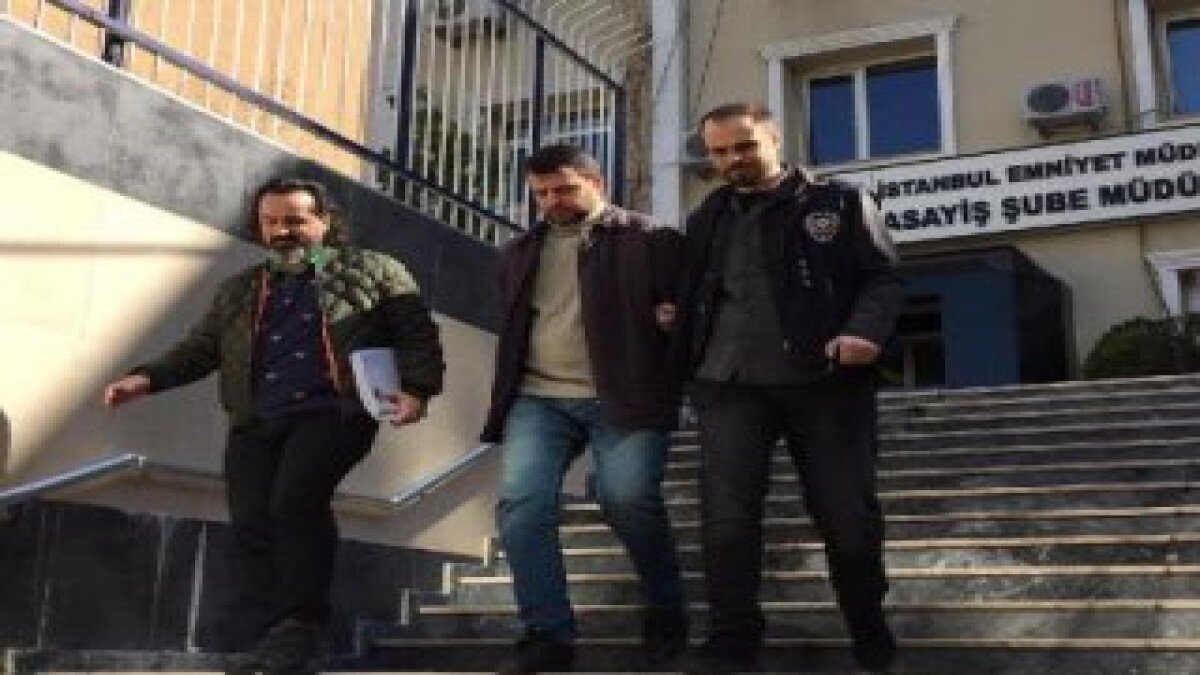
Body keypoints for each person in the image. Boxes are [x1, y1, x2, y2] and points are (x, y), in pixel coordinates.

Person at [101, 177, 445, 674]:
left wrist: (417, 389)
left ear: (324, 221)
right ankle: (275, 635)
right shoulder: (242, 289)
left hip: (334, 413)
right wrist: (146, 379)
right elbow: (201, 349)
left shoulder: (374, 270)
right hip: (256, 420)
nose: (282, 231)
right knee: (251, 520)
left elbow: (416, 333)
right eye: (271, 222)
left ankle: (303, 625)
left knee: (295, 501)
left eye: (295, 221)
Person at [675, 103, 902, 673]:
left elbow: (882, 277)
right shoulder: (705, 218)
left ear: (775, 139)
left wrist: (862, 331)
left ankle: (869, 631)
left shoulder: (838, 202)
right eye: (719, 151)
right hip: (727, 383)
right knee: (725, 518)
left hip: (823, 382)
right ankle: (732, 641)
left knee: (846, 514)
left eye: (744, 146)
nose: (732, 159)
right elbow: (694, 291)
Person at [481, 143, 688, 674]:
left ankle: (666, 605)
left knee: (627, 498)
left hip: (626, 394)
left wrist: (672, 323)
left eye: (564, 189)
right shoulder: (517, 252)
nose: (552, 201)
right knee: (523, 506)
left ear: (597, 184)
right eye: (541, 193)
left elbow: (690, 317)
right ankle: (547, 635)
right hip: (538, 397)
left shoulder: (652, 240)